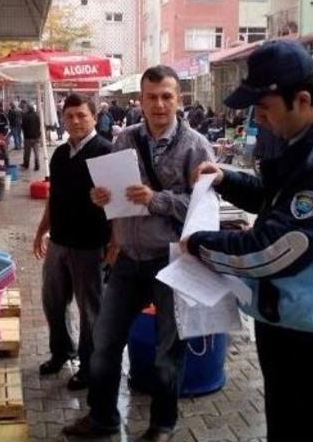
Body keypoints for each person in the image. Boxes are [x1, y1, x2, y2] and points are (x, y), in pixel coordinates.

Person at [181, 41, 313, 442]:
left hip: (312, 338)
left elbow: (275, 250)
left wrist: (201, 245)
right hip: (291, 323)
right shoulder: (302, 149)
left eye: (265, 108)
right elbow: (276, 202)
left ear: (302, 100)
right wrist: (226, 179)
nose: (260, 119)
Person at [63, 66, 214, 442]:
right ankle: (103, 418)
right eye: (152, 97)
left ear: (179, 99)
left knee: (167, 355)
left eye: (167, 96)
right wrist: (101, 198)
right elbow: (114, 196)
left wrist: (156, 199)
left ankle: (163, 424)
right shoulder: (125, 139)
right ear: (141, 100)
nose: (159, 104)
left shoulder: (196, 146)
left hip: (171, 261)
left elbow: (205, 208)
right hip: (129, 259)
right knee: (103, 344)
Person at [33, 93, 114, 391]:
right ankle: (61, 351)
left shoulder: (106, 151)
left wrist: (115, 244)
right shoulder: (59, 154)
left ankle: (89, 366)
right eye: (70, 116)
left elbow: (118, 203)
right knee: (53, 302)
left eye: (82, 115)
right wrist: (41, 230)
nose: (76, 121)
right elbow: (54, 197)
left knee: (90, 310)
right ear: (63, 119)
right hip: (60, 242)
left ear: (94, 116)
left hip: (91, 246)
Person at [21, 102, 42, 171]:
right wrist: (39, 135)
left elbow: (23, 126)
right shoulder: (36, 115)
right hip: (36, 137)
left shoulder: (25, 116)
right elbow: (39, 125)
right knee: (36, 152)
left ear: (28, 109)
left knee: (27, 152)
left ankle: (26, 164)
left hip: (27, 137)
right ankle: (37, 165)